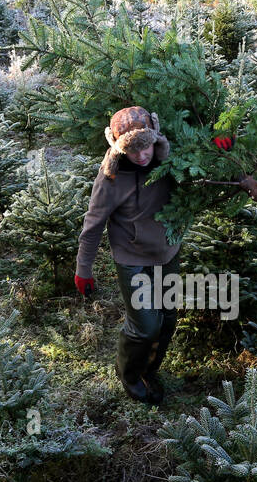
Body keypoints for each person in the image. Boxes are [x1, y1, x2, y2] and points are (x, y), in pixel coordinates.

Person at [75, 107, 179, 404]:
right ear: (119, 147)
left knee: (168, 319)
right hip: (131, 258)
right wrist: (84, 268)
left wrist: (227, 142)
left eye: (145, 147)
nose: (142, 156)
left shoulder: (169, 160)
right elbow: (93, 224)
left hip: (167, 252)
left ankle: (150, 369)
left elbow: (207, 167)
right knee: (145, 327)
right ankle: (129, 375)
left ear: (154, 139)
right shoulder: (111, 176)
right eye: (133, 151)